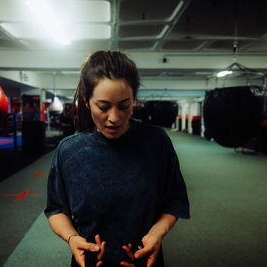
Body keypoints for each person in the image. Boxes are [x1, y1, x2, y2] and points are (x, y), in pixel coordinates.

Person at [44, 51, 190, 267]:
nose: (114, 118)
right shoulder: (69, 151)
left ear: (134, 99)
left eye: (124, 106)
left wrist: (157, 234)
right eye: (103, 107)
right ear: (86, 102)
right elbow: (56, 209)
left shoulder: (157, 143)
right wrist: (72, 238)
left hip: (144, 261)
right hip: (90, 263)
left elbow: (174, 202)